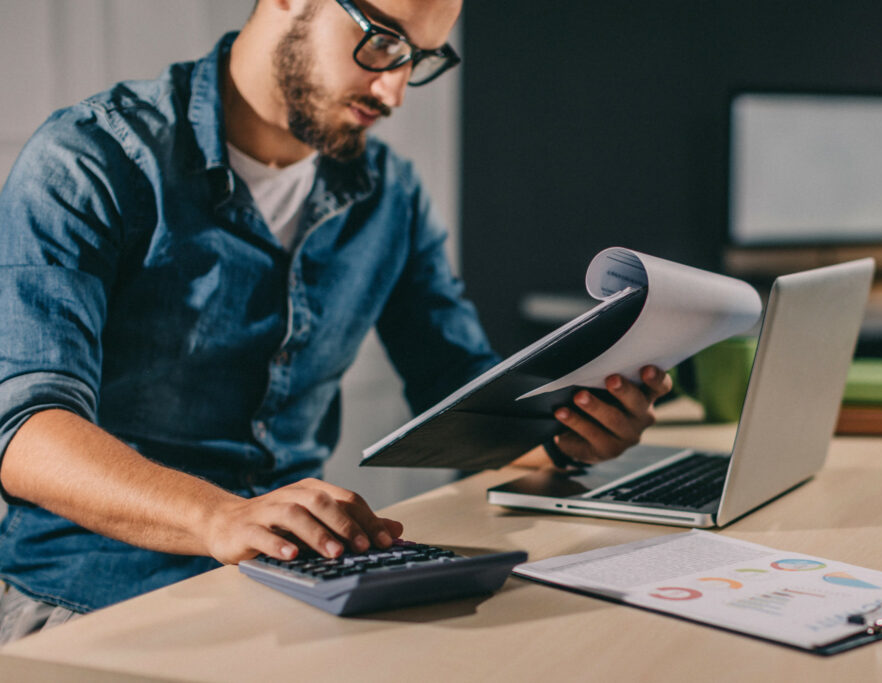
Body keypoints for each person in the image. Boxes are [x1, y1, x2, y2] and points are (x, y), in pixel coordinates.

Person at [0, 0, 671, 643]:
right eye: (383, 42)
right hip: (85, 601)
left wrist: (565, 434)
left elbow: (458, 390)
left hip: (292, 588)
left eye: (421, 61)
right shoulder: (88, 161)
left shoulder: (392, 194)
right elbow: (25, 429)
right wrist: (222, 515)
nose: (395, 92)